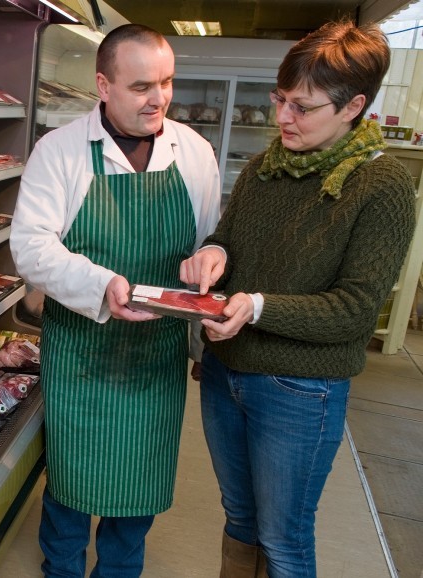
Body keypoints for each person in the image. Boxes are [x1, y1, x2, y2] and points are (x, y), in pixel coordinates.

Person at [178, 21, 416, 578]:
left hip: (300, 391)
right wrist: (214, 256)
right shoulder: (266, 167)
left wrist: (258, 307)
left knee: (284, 539)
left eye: (303, 107)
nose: (284, 117)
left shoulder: (381, 189)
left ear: (353, 106)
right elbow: (228, 241)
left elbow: (356, 309)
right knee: (240, 518)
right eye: (280, 99)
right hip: (225, 372)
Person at [10, 23, 221, 577]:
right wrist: (101, 283)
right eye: (142, 86)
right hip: (82, 352)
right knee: (71, 488)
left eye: (168, 83)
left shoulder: (194, 154)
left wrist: (211, 265)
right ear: (103, 85)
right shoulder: (59, 152)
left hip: (157, 358)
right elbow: (30, 248)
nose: (160, 99)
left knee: (138, 495)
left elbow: (210, 242)